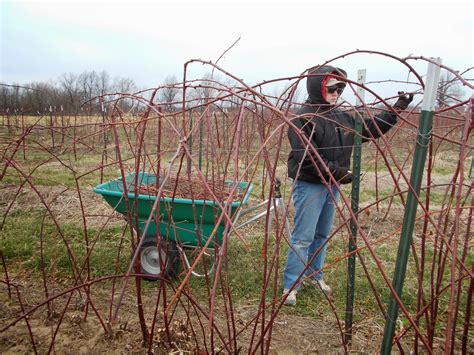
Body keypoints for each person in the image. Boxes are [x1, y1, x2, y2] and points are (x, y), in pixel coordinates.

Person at [282, 65, 413, 306]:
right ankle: (291, 284)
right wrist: (340, 173)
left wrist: (395, 110)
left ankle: (314, 275)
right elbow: (308, 159)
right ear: (318, 87)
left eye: (340, 88)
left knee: (322, 234)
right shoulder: (303, 118)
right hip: (311, 185)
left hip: (332, 184)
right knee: (303, 236)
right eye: (331, 88)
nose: (336, 93)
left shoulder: (341, 117)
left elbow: (368, 130)